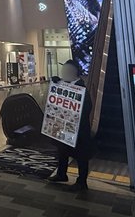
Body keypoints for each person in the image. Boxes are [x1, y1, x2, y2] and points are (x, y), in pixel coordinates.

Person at [47, 60, 93, 191]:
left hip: (79, 129)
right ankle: (61, 174)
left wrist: (74, 118)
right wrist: (55, 81)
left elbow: (87, 108)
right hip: (64, 126)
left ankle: (82, 181)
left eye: (67, 71)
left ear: (75, 72)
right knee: (62, 150)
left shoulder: (81, 88)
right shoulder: (63, 84)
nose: (64, 74)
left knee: (81, 155)